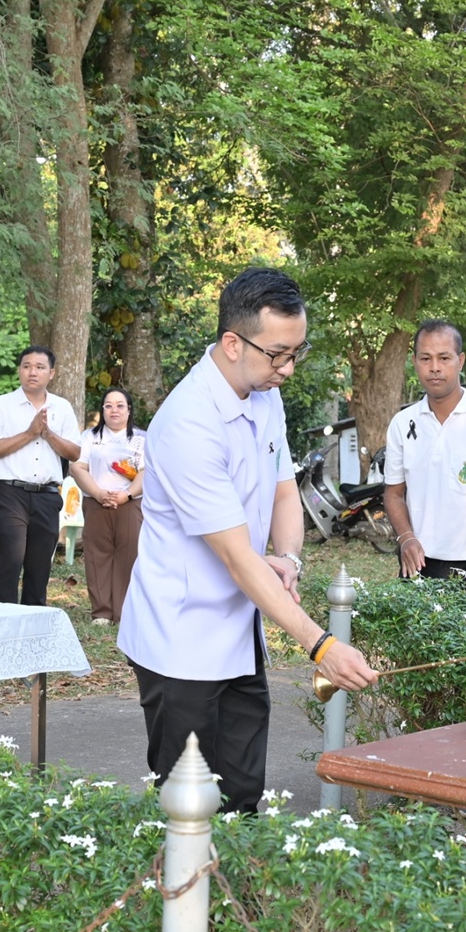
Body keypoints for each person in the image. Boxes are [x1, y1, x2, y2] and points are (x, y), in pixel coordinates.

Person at [118, 267, 377, 813]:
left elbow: (284, 491)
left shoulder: (264, 395)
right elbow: (237, 558)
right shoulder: (189, 423)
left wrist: (288, 558)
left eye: (296, 353)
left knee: (242, 795)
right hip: (181, 640)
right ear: (233, 343)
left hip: (241, 631)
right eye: (278, 355)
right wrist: (322, 646)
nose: (288, 369)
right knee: (189, 808)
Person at [383, 319, 466, 607]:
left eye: (444, 358)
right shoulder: (402, 424)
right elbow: (393, 494)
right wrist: (406, 538)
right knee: (416, 636)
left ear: (460, 361)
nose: (435, 367)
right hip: (419, 563)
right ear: (414, 362)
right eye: (425, 358)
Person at [0, 347, 80, 606]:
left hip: (47, 496)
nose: (32, 372)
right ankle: (4, 623)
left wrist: (48, 434)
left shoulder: (62, 407)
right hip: (9, 494)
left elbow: (74, 452)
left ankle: (33, 625)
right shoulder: (0, 405)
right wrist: (30, 433)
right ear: (19, 370)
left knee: (39, 570)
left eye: (40, 367)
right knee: (8, 565)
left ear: (52, 373)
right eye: (26, 366)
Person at [70, 387, 145, 625]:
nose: (114, 410)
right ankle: (101, 611)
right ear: (102, 410)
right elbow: (77, 467)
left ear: (129, 410)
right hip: (96, 502)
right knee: (97, 555)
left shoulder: (141, 438)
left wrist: (127, 495)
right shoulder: (89, 437)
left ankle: (124, 611)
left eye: (120, 405)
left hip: (130, 504)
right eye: (108, 406)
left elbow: (146, 472)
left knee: (129, 555)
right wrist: (98, 493)